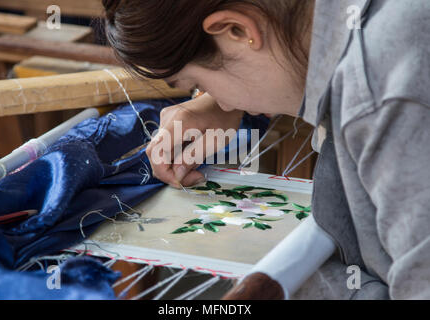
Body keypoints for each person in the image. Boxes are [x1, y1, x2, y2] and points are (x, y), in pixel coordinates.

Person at [102, 0, 430, 299]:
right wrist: (219, 101)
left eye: (196, 82)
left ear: (238, 30)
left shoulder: (385, 93)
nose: (220, 99)